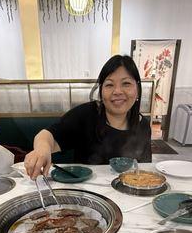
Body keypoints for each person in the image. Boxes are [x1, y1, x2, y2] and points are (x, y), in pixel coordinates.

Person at [24, 55, 152, 179]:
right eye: (109, 85)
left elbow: (145, 169)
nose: (117, 91)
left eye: (126, 84)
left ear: (138, 88)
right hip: (86, 192)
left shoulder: (143, 125)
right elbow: (46, 135)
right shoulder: (86, 114)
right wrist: (42, 149)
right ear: (101, 90)